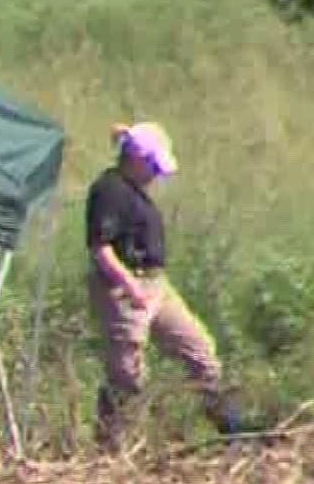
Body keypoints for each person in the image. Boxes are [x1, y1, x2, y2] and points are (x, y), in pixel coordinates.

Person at [86, 121, 242, 450]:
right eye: (153, 166)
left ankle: (233, 430)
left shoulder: (134, 189)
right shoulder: (109, 190)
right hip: (125, 287)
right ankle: (109, 448)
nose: (156, 175)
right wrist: (131, 288)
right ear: (138, 159)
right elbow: (100, 249)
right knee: (127, 375)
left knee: (201, 352)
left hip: (157, 283)